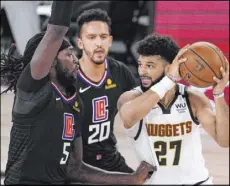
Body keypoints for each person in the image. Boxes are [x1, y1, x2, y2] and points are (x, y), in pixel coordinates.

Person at [0, 1, 155, 184]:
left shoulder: (74, 102)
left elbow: (76, 169)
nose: (75, 60)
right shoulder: (33, 89)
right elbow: (56, 31)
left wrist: (132, 179)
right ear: (50, 62)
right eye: (68, 54)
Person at [117, 34, 229, 184]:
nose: (142, 71)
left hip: (197, 182)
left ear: (170, 67)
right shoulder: (130, 98)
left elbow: (224, 140)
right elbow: (129, 117)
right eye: (140, 64)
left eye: (149, 66)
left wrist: (219, 94)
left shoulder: (193, 99)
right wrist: (169, 80)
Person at [74, 8, 138, 173]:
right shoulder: (68, 77)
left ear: (110, 41)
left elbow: (142, 107)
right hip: (75, 164)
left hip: (109, 159)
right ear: (80, 42)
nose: (98, 43)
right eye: (91, 37)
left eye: (103, 37)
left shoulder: (120, 72)